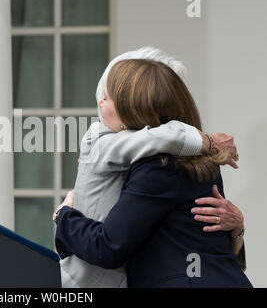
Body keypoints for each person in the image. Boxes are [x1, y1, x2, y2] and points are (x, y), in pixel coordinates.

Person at [55, 58, 251, 287]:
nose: (100, 103)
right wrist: (238, 230)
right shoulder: (199, 161)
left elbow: (108, 247)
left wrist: (64, 216)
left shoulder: (159, 167)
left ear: (132, 109)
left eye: (108, 98)